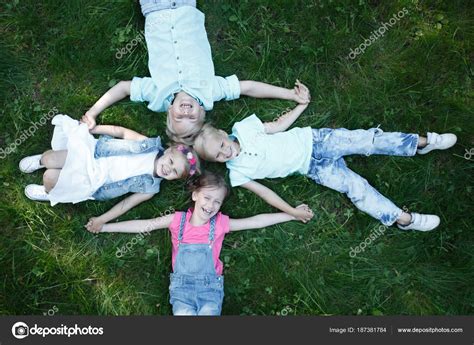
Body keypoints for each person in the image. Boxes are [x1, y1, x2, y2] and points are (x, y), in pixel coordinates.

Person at [192, 84, 458, 231]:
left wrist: (300, 105)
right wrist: (292, 212)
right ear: (216, 161)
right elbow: (265, 194)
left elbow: (277, 126)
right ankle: (403, 219)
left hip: (316, 140)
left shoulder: (244, 127)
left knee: (367, 140)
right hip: (312, 168)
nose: (225, 151)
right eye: (218, 155)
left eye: (223, 144)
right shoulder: (238, 174)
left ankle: (421, 143)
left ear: (225, 133)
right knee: (356, 188)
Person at [81, 1, 309, 144]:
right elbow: (248, 87)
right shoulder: (210, 91)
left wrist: (92, 112)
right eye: (192, 118)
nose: (186, 113)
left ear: (169, 110)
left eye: (179, 117)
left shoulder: (157, 95)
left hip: (153, 8)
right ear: (202, 112)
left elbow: (122, 88)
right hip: (184, 7)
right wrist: (289, 94)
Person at [86, 171, 302, 315]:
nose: (211, 205)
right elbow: (144, 225)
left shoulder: (219, 224)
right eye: (207, 198)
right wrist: (105, 226)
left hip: (210, 290)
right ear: (196, 195)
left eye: (217, 202)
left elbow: (255, 222)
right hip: (181, 291)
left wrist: (291, 215)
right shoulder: (176, 220)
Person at [19, 114, 199, 230]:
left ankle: (49, 192)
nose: (168, 168)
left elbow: (126, 204)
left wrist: (102, 220)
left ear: (175, 178)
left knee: (49, 177)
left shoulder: (150, 188)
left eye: (174, 172)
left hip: (94, 181)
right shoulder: (148, 145)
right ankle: (40, 160)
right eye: (171, 161)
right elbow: (120, 132)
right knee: (50, 158)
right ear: (168, 151)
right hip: (92, 154)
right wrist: (94, 129)